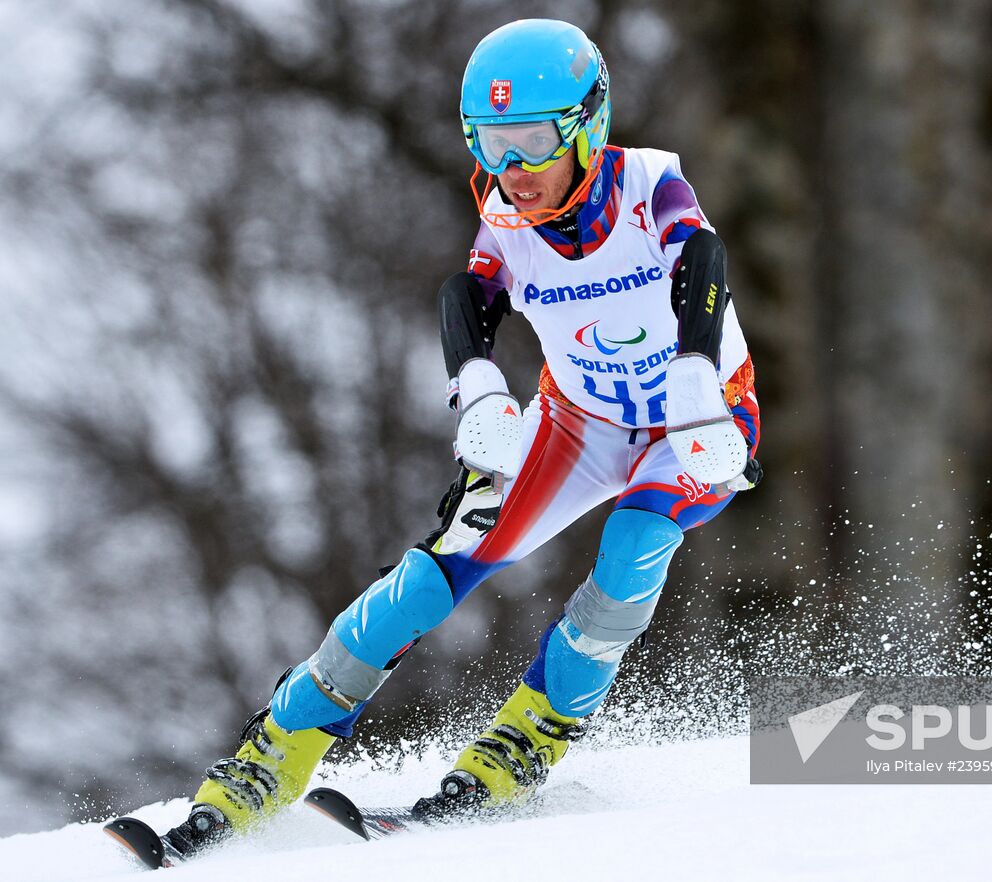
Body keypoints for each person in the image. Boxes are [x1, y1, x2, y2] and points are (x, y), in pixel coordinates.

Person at [156, 18, 760, 857]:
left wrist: (695, 378)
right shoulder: (505, 216)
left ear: (588, 128)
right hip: (579, 420)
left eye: (533, 143)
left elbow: (700, 257)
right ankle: (272, 753)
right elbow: (469, 296)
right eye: (490, 143)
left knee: (631, 549)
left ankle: (526, 742)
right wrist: (477, 386)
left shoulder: (648, 185)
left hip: (696, 425)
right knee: (440, 568)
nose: (512, 171)